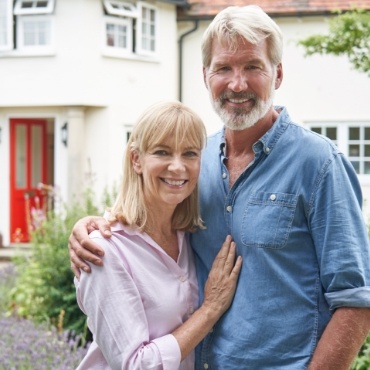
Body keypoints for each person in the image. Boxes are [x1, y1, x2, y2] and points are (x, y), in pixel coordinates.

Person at [69, 5, 370, 369]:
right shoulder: (197, 163)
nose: (237, 84)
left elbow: (355, 300)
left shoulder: (319, 163)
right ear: (205, 75)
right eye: (224, 68)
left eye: (253, 67)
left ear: (277, 74)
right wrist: (90, 227)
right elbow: (150, 225)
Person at [74, 100, 242, 369]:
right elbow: (136, 364)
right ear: (136, 159)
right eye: (162, 152)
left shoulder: (191, 236)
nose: (177, 167)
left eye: (189, 154)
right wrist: (210, 309)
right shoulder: (104, 251)